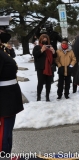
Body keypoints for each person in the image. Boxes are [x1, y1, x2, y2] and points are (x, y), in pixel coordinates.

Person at [0, 15, 24, 155]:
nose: (6, 34)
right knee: (3, 134)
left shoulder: (3, 50)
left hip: (8, 99)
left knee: (7, 134)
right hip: (4, 101)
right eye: (3, 31)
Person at [32, 34, 56, 101]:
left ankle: (47, 96)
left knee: (48, 83)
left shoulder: (50, 47)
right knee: (40, 82)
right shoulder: (37, 47)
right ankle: (38, 96)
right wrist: (41, 50)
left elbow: (55, 56)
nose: (45, 40)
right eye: (43, 39)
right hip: (41, 68)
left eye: (46, 39)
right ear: (40, 40)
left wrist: (53, 51)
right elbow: (35, 55)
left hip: (49, 67)